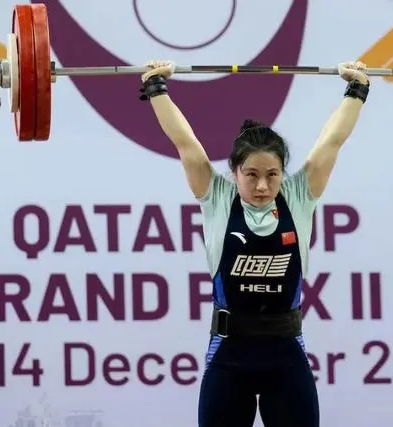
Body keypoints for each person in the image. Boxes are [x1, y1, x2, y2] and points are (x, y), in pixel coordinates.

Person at [139, 59, 370, 427]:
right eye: (251, 175)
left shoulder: (298, 196)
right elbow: (186, 143)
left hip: (286, 357)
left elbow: (332, 140)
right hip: (229, 358)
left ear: (283, 173)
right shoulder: (217, 197)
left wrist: (356, 89)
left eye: (272, 174)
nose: (262, 185)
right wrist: (156, 88)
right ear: (235, 172)